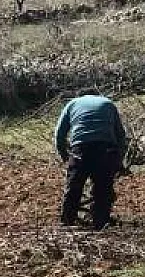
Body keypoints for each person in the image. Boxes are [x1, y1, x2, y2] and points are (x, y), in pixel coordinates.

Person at [53, 92, 127, 230]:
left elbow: (59, 134)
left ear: (81, 95)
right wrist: (118, 159)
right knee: (103, 189)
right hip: (105, 149)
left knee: (74, 187)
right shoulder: (108, 103)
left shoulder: (72, 104)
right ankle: (101, 223)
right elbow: (120, 134)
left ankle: (67, 222)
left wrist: (64, 156)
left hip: (81, 149)